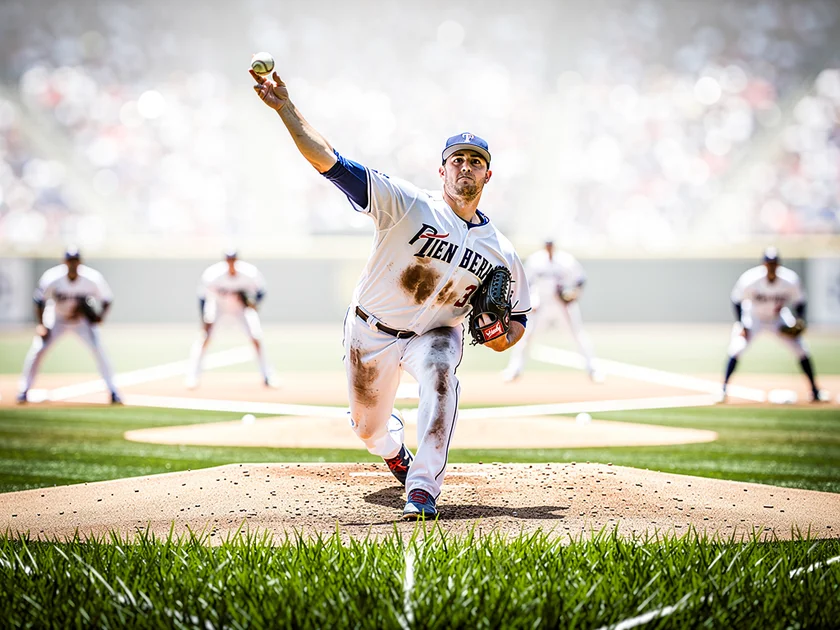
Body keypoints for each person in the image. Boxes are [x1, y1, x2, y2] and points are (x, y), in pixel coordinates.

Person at [250, 67, 530, 519]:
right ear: (442, 169)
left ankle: (422, 489)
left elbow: (516, 324)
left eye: (474, 161)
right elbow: (330, 162)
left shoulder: (502, 252)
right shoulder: (406, 203)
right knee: (367, 428)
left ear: (488, 174)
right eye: (457, 159)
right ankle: (393, 449)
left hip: (436, 333)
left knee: (442, 378)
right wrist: (285, 108)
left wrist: (501, 336)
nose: (465, 167)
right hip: (370, 330)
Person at [720, 247, 826, 402]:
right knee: (737, 347)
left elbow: (800, 301)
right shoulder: (751, 279)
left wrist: (800, 320)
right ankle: (723, 389)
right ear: (764, 264)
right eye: (769, 263)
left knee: (801, 349)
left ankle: (815, 391)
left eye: (774, 263)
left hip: (777, 318)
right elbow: (736, 300)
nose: (771, 266)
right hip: (753, 318)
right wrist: (742, 324)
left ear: (778, 265)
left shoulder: (789, 280)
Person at [17, 248, 122, 404]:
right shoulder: (52, 277)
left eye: (75, 260)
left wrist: (100, 317)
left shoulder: (92, 278)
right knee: (38, 350)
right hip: (57, 318)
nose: (73, 264)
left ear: (80, 262)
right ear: (64, 262)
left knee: (99, 350)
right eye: (70, 260)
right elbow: (39, 301)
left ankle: (113, 391)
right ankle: (24, 390)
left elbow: (107, 299)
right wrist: (42, 325)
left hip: (81, 322)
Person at [503, 240, 602, 382]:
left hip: (562, 304)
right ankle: (515, 369)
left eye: (551, 245)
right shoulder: (535, 260)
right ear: (544, 246)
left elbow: (580, 279)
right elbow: (526, 282)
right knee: (527, 336)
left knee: (577, 334)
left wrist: (574, 293)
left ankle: (593, 369)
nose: (549, 247)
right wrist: (531, 300)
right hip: (542, 304)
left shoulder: (566, 260)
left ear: (554, 246)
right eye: (547, 245)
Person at [186, 250, 276, 388]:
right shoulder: (214, 274)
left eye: (233, 259)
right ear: (225, 261)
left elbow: (262, 290)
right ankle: (193, 376)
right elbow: (203, 296)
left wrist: (254, 302)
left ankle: (267, 376)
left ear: (237, 260)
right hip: (218, 305)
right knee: (205, 337)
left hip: (241, 307)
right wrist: (204, 319)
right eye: (229, 260)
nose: (231, 263)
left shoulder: (249, 273)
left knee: (256, 336)